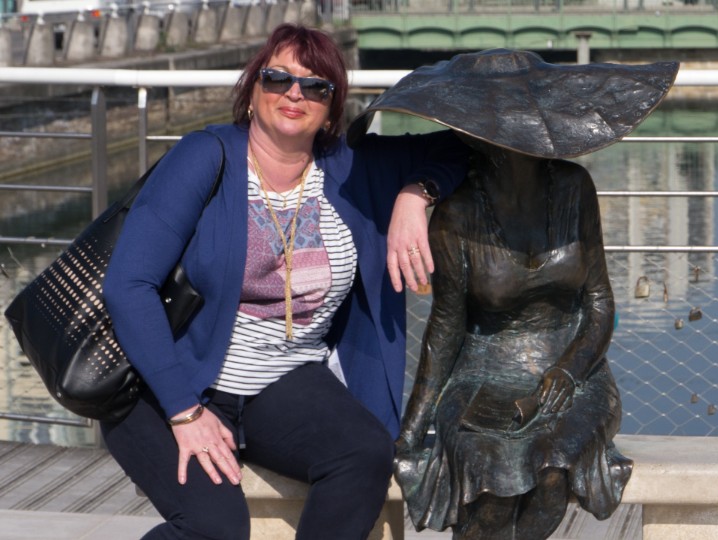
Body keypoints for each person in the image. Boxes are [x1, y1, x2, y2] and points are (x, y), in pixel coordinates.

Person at [100, 24, 468, 539]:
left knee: (364, 454)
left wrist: (416, 194)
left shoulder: (352, 168)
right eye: (278, 79)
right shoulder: (206, 156)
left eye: (316, 86)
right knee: (215, 528)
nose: (295, 94)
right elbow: (128, 285)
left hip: (281, 383)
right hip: (169, 380)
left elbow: (465, 147)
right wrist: (185, 412)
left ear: (332, 109)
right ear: (253, 90)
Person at [347, 49, 679, 539]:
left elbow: (600, 303)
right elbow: (446, 328)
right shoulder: (457, 215)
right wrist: (411, 432)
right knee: (489, 481)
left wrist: (569, 370)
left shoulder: (574, 189)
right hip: (481, 372)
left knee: (552, 471)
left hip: (572, 372)